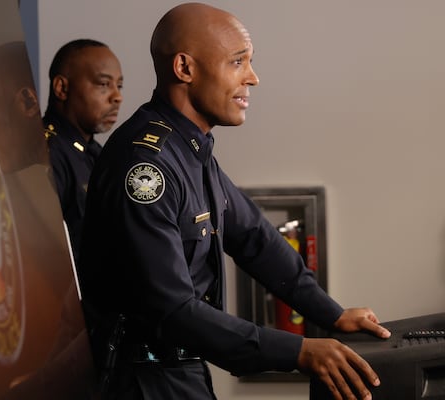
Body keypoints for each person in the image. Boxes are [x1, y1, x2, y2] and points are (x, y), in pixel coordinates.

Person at [77, 3, 391, 400]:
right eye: (237, 61)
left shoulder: (190, 148)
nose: (253, 77)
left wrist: (331, 312)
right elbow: (172, 311)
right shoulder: (144, 167)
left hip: (182, 371)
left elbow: (254, 237)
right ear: (185, 69)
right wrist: (298, 351)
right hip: (142, 381)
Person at [43, 39, 123, 261]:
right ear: (62, 88)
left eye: (119, 85)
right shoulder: (46, 154)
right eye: (104, 84)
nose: (117, 96)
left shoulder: (95, 152)